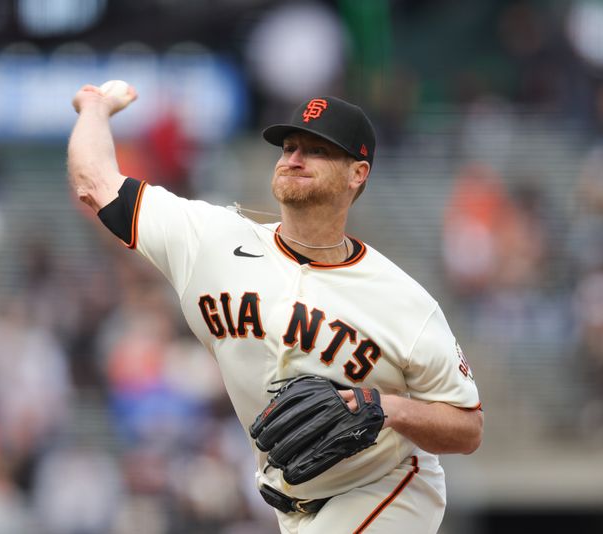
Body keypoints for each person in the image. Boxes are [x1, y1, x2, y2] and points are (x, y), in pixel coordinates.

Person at [68, 84, 483, 534]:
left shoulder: (404, 301)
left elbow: (467, 427)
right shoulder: (211, 240)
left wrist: (389, 408)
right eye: (288, 147)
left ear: (357, 173)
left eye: (316, 150)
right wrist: (94, 107)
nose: (294, 158)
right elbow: (95, 182)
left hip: (387, 488)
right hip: (289, 502)